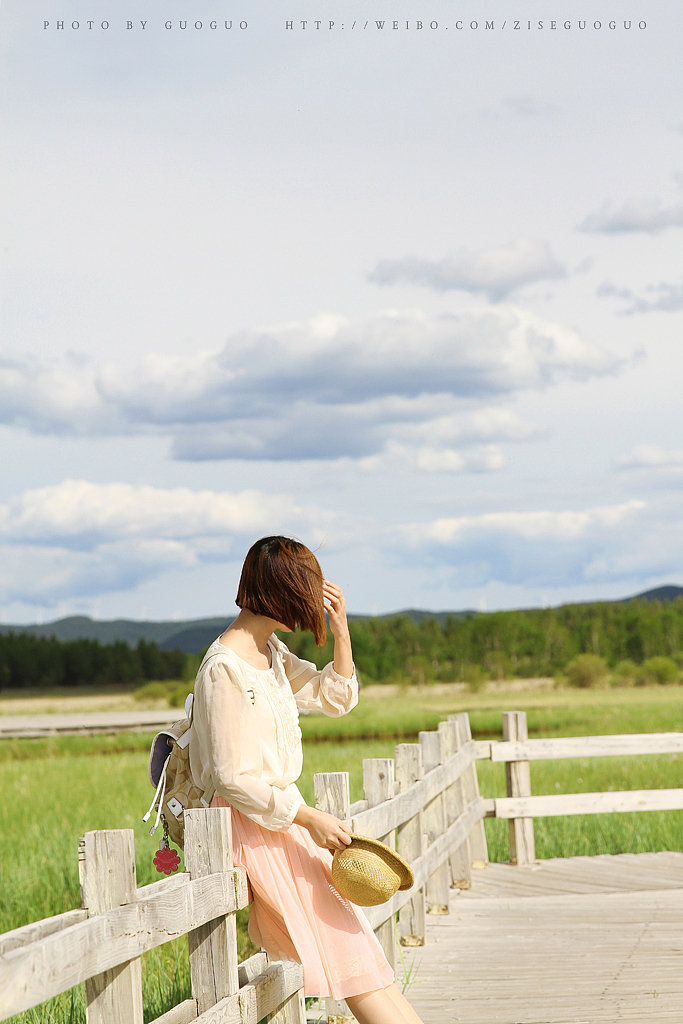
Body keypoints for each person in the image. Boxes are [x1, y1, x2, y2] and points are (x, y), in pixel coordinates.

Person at [189, 536, 425, 1024]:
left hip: (283, 818)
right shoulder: (224, 669)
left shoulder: (269, 652)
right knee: (344, 946)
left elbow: (333, 697)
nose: (313, 601)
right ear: (280, 590)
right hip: (255, 822)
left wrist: (342, 635)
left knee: (353, 946)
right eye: (306, 588)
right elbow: (234, 779)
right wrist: (309, 817)